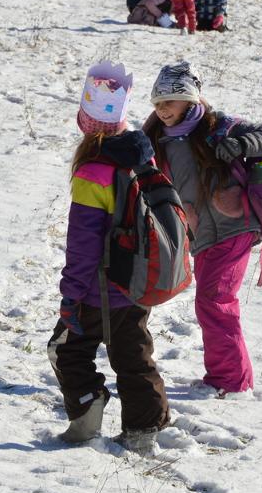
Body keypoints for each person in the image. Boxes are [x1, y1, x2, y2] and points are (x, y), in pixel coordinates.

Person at [48, 61, 170, 451]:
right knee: (133, 355)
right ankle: (143, 431)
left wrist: (71, 295)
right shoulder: (141, 157)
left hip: (99, 289)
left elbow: (83, 245)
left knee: (66, 349)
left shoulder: (93, 173)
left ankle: (86, 416)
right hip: (138, 281)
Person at [142, 61, 262, 396]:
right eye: (157, 102)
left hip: (235, 227)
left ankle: (231, 382)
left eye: (169, 101)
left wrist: (241, 145)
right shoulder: (156, 137)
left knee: (215, 300)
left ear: (189, 99)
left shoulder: (219, 125)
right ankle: (227, 377)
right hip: (201, 234)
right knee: (210, 301)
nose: (162, 109)